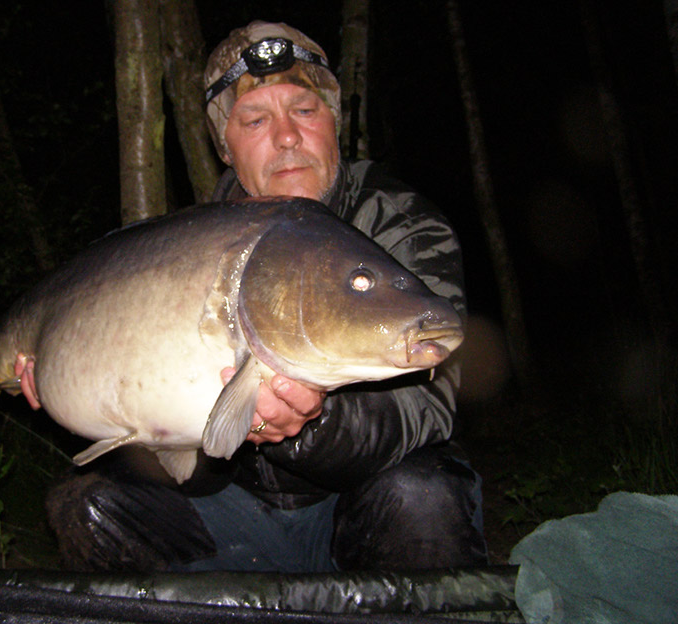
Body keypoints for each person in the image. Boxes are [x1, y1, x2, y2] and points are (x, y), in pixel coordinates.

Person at [43, 20, 488, 573]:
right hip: (231, 511)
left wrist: (309, 425)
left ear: (333, 121)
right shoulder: (182, 248)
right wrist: (53, 366)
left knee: (425, 494)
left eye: (304, 110)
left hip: (357, 509)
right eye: (255, 119)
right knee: (90, 504)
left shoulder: (401, 223)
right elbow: (178, 448)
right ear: (225, 148)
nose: (286, 137)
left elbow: (428, 405)